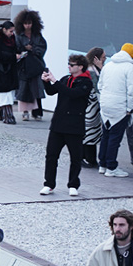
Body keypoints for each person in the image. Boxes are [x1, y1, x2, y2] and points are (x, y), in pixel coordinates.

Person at [41, 55, 93, 196]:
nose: (69, 66)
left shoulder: (86, 82)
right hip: (58, 125)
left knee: (75, 158)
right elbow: (52, 91)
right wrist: (46, 82)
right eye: (68, 64)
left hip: (74, 126)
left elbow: (73, 94)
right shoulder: (66, 79)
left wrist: (55, 81)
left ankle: (73, 184)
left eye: (71, 64)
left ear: (80, 67)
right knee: (51, 156)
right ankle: (49, 184)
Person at [98, 45, 133, 177]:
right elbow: (131, 91)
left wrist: (104, 100)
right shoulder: (130, 68)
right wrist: (129, 109)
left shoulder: (108, 65)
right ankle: (111, 167)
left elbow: (100, 85)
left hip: (105, 105)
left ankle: (102, 164)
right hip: (120, 106)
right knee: (115, 137)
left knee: (105, 135)